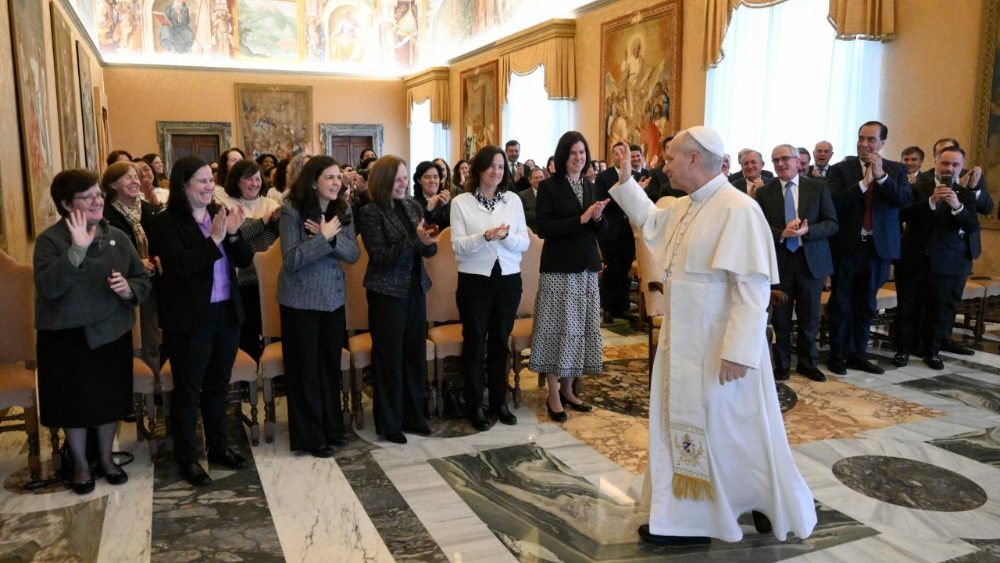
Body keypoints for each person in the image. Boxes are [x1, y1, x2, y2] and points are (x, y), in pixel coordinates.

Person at [608, 128, 816, 545]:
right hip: (686, 336)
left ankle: (732, 507)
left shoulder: (738, 209)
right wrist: (626, 180)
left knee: (730, 429)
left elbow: (752, 288)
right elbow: (651, 223)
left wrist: (738, 351)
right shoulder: (686, 205)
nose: (664, 166)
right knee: (709, 429)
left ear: (693, 159)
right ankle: (710, 510)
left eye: (670, 158)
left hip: (720, 346)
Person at [35, 169, 150, 494]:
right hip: (67, 338)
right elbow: (48, 287)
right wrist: (77, 250)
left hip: (111, 332)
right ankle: (81, 466)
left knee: (108, 401)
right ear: (66, 204)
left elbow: (141, 278)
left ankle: (106, 458)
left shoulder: (117, 237)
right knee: (74, 404)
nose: (98, 201)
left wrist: (128, 289)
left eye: (98, 194)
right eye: (88, 197)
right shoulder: (50, 240)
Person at [148, 155, 254, 487]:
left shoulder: (217, 214)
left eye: (212, 180)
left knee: (219, 385)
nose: (210, 187)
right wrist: (215, 241)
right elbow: (179, 268)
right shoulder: (165, 223)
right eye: (203, 181)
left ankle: (218, 447)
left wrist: (232, 235)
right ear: (183, 185)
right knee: (189, 390)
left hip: (226, 313)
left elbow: (245, 260)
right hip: (190, 319)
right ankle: (188, 458)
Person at [278, 155, 360, 457]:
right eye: (329, 177)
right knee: (305, 371)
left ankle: (332, 429)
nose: (336, 183)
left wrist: (331, 240)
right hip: (299, 301)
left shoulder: (343, 209)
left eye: (338, 177)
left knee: (328, 367)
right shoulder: (292, 210)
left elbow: (353, 254)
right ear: (313, 181)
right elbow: (292, 259)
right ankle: (310, 437)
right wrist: (322, 239)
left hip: (332, 299)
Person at [357, 156, 438, 444]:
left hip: (415, 288)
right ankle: (390, 423)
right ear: (383, 181)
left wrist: (428, 243)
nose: (403, 184)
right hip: (386, 293)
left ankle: (414, 416)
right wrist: (416, 240)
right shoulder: (370, 212)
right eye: (397, 179)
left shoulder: (413, 206)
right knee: (389, 358)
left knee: (414, 355)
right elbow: (381, 257)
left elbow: (426, 250)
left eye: (405, 178)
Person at [529, 131, 608, 422]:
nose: (579, 158)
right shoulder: (549, 186)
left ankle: (568, 389)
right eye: (573, 153)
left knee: (579, 331)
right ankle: (553, 394)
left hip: (586, 268)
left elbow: (601, 230)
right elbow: (543, 228)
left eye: (582, 152)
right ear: (563, 155)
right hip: (559, 270)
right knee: (556, 330)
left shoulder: (589, 185)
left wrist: (598, 218)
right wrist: (580, 219)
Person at [450, 146, 529, 431]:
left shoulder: (513, 200)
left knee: (499, 342)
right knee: (474, 343)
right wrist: (484, 236)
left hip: (508, 279)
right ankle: (475, 404)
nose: (496, 171)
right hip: (474, 281)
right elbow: (458, 246)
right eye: (491, 165)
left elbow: (524, 242)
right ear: (479, 169)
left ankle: (499, 401)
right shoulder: (461, 202)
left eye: (501, 166)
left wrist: (506, 237)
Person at [825, 121, 911, 375]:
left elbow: (904, 200)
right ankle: (837, 354)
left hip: (877, 249)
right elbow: (833, 202)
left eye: (871, 140)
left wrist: (881, 176)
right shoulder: (841, 169)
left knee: (866, 304)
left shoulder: (896, 170)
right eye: (861, 138)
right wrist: (863, 184)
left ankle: (858, 354)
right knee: (841, 304)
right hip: (847, 248)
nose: (864, 144)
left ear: (882, 143)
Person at [894, 146, 992, 368]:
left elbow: (972, 224)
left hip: (946, 262)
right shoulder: (918, 187)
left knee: (938, 310)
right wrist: (930, 202)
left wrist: (957, 207)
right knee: (907, 307)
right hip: (913, 259)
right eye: (945, 163)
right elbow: (902, 214)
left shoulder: (965, 193)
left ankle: (932, 353)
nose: (949, 168)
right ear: (936, 162)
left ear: (961, 167)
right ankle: (902, 351)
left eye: (955, 164)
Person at [754, 145, 837, 382]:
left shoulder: (817, 187)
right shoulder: (765, 192)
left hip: (810, 262)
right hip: (780, 262)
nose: (780, 164)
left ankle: (808, 363)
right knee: (780, 318)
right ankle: (781, 365)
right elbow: (759, 228)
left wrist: (808, 230)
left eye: (784, 159)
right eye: (775, 160)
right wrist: (782, 233)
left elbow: (832, 223)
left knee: (809, 318)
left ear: (797, 161)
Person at [102, 162, 161, 372]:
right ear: (113, 184)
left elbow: (159, 242)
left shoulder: (150, 211)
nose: (135, 181)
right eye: (128, 177)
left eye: (136, 177)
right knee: (122, 341)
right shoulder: (104, 214)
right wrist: (136, 262)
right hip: (117, 285)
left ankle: (154, 385)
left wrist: (157, 257)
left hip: (148, 284)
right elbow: (103, 252)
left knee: (150, 338)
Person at [223, 159, 281, 362]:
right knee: (248, 331)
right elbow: (235, 236)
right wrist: (264, 222)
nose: (255, 183)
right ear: (237, 181)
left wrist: (274, 222)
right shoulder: (227, 205)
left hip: (272, 278)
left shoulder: (271, 203)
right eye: (249, 179)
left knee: (275, 329)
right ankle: (251, 371)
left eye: (257, 179)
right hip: (243, 279)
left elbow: (279, 239)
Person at [595, 141, 638, 324]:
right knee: (611, 269)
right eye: (616, 153)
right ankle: (608, 308)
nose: (620, 156)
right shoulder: (603, 176)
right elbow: (602, 200)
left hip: (629, 229)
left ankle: (622, 307)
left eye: (623, 152)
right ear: (612, 156)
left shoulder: (636, 175)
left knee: (625, 269)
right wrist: (621, 189)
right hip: (610, 229)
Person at [412, 161, 451, 231]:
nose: (432, 181)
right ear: (419, 180)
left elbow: (453, 228)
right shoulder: (413, 204)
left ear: (440, 180)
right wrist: (428, 211)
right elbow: (417, 232)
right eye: (427, 177)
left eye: (435, 177)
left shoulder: (447, 201)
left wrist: (445, 207)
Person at [519, 167, 544, 232]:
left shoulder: (551, 193)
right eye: (536, 178)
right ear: (530, 180)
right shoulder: (522, 195)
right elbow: (520, 214)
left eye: (541, 177)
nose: (539, 180)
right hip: (531, 232)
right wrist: (539, 214)